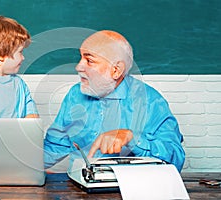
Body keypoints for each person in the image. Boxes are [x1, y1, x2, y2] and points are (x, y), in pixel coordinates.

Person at [44, 30, 185, 172]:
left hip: (131, 189)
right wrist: (28, 167)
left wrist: (132, 138)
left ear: (116, 70)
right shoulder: (75, 94)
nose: (79, 67)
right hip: (78, 186)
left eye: (89, 60)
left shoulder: (151, 101)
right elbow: (56, 145)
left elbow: (176, 159)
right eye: (80, 58)